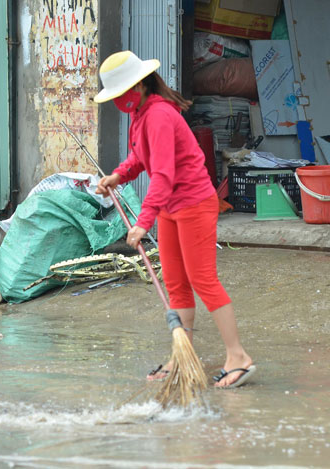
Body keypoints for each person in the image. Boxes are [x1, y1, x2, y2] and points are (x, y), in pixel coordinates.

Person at [94, 51, 255, 388]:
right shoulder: (140, 115)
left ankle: (238, 356)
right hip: (170, 208)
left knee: (203, 281)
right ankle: (183, 356)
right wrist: (118, 176)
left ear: (138, 86)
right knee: (176, 284)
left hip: (194, 204)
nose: (119, 101)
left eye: (122, 92)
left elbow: (163, 175)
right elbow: (141, 156)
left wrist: (142, 222)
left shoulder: (159, 116)